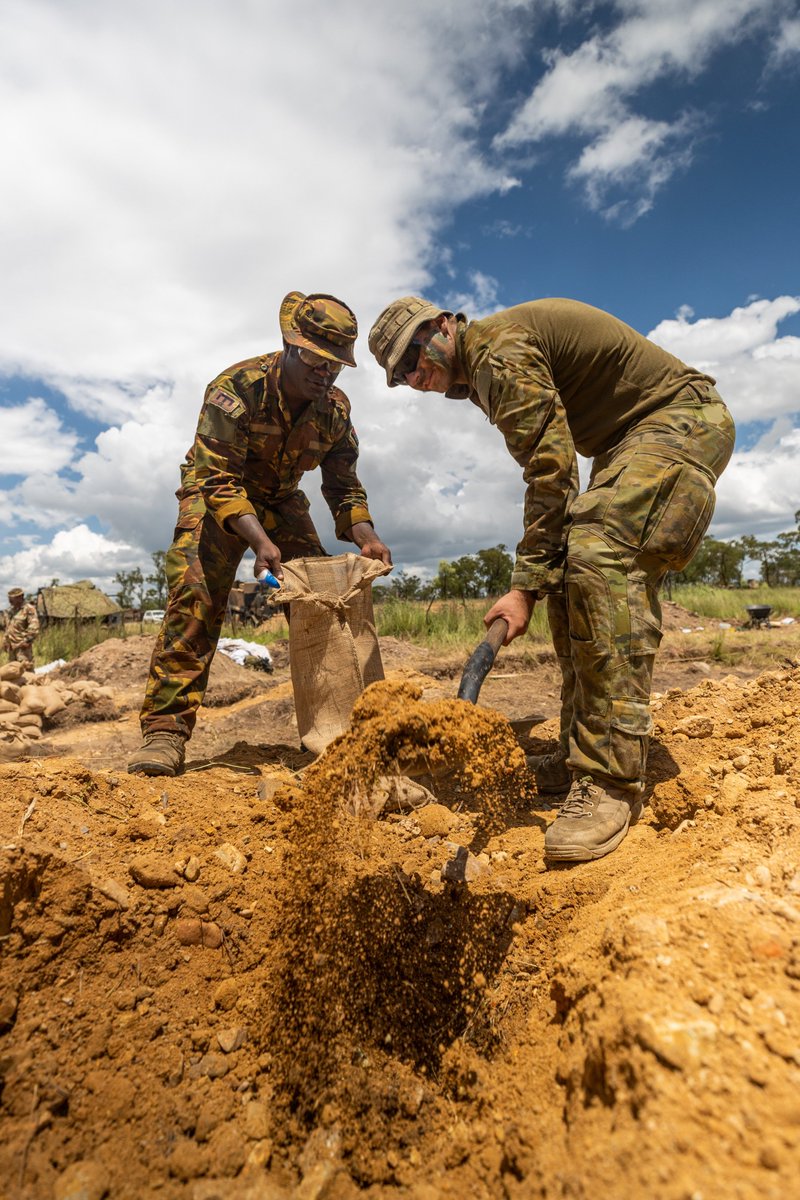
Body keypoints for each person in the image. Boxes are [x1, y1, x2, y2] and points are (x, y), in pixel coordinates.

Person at [369, 296, 735, 862]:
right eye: (400, 376)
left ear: (443, 325)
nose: (413, 378)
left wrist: (522, 588)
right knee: (568, 564)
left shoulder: (495, 350)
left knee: (600, 552)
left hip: (679, 420)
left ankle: (611, 778)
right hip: (624, 443)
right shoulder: (485, 366)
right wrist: (541, 576)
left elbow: (551, 467)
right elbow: (555, 476)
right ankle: (576, 752)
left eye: (413, 358)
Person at [128, 291, 392, 777]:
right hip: (215, 494)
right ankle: (165, 732)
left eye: (336, 365)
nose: (325, 373)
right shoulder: (236, 389)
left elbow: (344, 487)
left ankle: (342, 730)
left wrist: (366, 536)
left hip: (281, 497)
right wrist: (259, 541)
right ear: (290, 346)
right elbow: (217, 479)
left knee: (318, 598)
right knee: (197, 596)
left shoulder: (334, 410)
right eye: (315, 359)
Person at [2, 587, 40, 668]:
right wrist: (5, 641)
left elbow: (34, 627)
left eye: (12, 599)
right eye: (9, 599)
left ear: (20, 597)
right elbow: (8, 627)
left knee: (26, 670)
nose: (10, 601)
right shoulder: (10, 611)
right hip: (12, 647)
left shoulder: (28, 609)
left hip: (22, 647)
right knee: (13, 670)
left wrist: (26, 641)